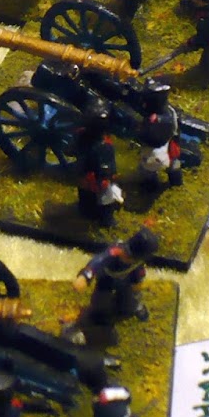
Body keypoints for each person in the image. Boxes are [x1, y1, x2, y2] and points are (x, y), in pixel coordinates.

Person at [74, 227, 158, 324]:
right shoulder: (115, 252)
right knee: (100, 305)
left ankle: (133, 306)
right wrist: (85, 276)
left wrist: (137, 282)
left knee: (129, 304)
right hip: (106, 281)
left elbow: (138, 272)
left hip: (125, 282)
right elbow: (97, 262)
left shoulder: (137, 261)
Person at [73, 96, 121, 227]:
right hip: (96, 178)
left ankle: (87, 211)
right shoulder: (104, 145)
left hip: (85, 174)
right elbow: (107, 165)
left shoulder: (80, 135)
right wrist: (108, 176)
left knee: (86, 195)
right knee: (106, 199)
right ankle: (107, 220)